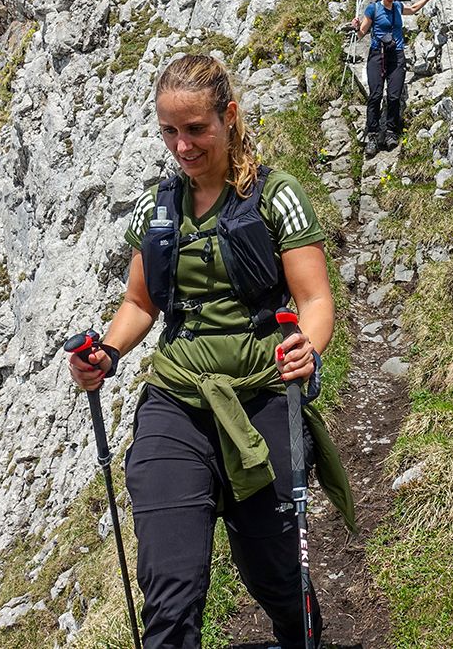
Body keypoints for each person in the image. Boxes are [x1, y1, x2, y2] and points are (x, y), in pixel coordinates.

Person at [67, 54, 353, 649]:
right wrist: (108, 353)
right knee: (170, 587)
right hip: (177, 401)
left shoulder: (276, 196)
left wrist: (308, 345)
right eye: (169, 130)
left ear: (229, 116)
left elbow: (315, 298)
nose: (182, 145)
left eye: (195, 128)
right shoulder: (159, 208)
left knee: (276, 574)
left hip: (264, 393)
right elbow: (141, 303)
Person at [355, 0, 442, 156]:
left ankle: (390, 132)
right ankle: (372, 135)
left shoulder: (397, 7)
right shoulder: (373, 9)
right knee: (376, 95)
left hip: (396, 54)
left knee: (394, 96)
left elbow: (414, 8)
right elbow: (362, 32)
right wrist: (355, 27)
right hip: (377, 55)